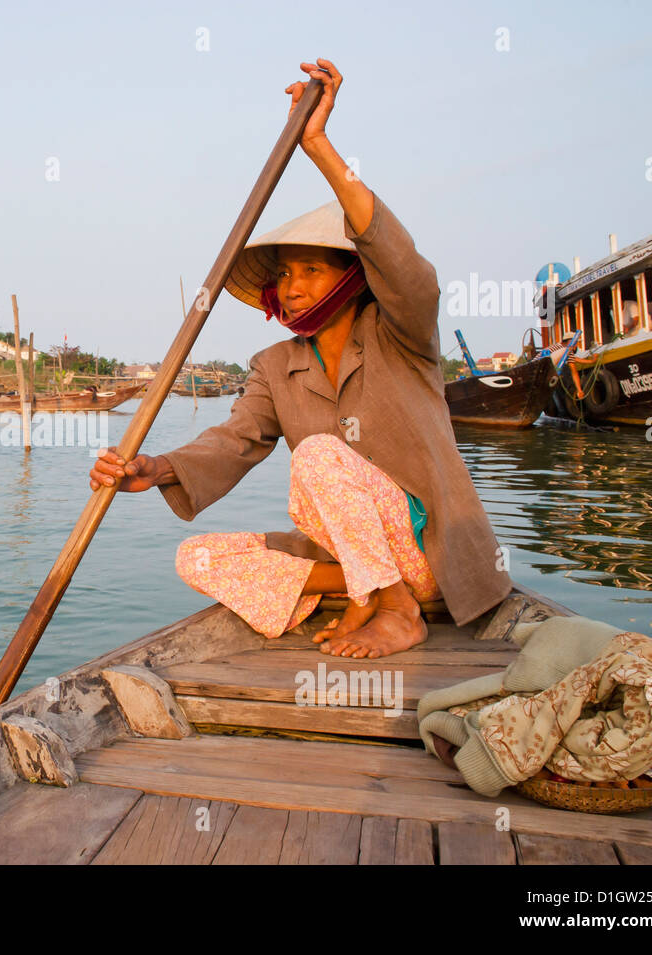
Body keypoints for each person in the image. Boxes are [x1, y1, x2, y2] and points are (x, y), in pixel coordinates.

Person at [88, 58, 511, 659]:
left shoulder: (402, 336)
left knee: (315, 453)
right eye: (285, 272)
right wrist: (156, 469)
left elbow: (409, 275)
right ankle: (365, 588)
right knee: (197, 556)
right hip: (351, 560)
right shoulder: (274, 364)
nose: (291, 286)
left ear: (355, 278)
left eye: (312, 269)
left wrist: (316, 144)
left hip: (430, 554)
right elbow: (235, 439)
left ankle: (396, 607)